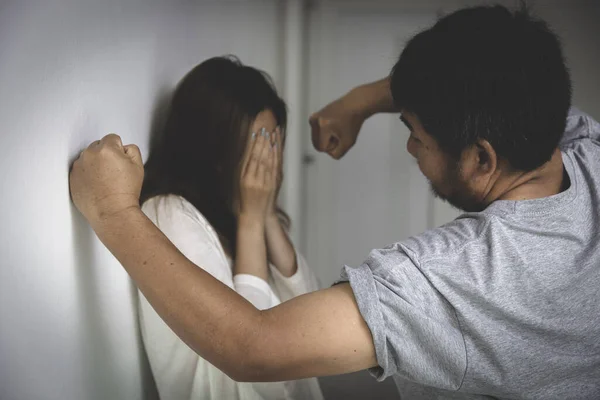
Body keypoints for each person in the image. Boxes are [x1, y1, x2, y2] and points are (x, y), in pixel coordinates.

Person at [69, 5, 600, 399]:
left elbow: (254, 346)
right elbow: (492, 72)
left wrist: (114, 210)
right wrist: (360, 104)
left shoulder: (460, 278)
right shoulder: (579, 144)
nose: (409, 144)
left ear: (481, 160)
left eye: (415, 133)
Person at [136, 57, 323, 400]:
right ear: (212, 146)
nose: (266, 159)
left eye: (272, 143)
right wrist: (252, 220)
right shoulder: (170, 215)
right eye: (255, 144)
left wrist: (265, 214)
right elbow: (254, 364)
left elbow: (312, 318)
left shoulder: (236, 210)